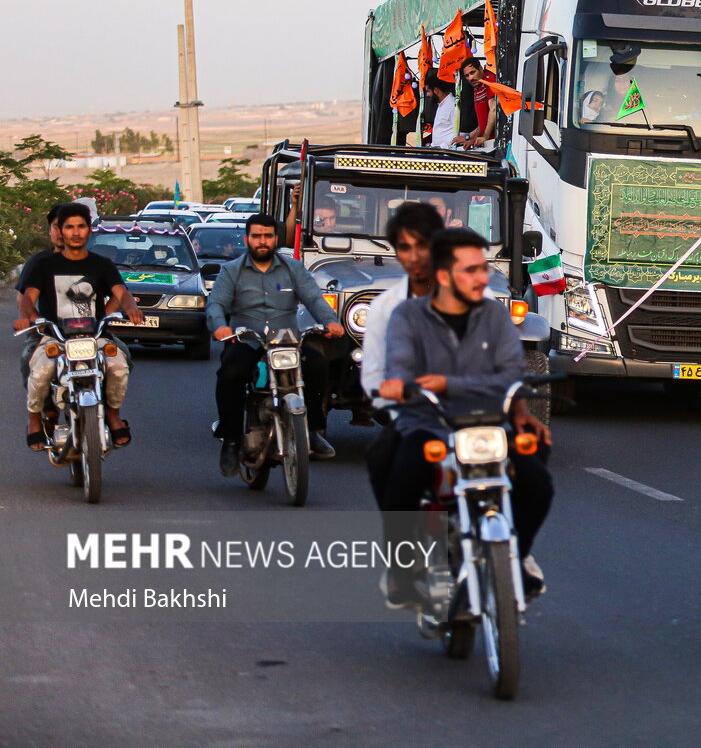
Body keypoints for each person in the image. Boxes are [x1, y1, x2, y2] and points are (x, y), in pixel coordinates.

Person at [377, 228, 553, 608]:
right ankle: (403, 567)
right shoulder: (408, 316)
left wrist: (516, 408)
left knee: (537, 477)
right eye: (471, 270)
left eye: (483, 269)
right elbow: (401, 370)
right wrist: (401, 385)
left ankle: (518, 555)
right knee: (395, 464)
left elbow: (510, 372)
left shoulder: (493, 314)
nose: (482, 278)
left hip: (488, 424)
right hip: (428, 422)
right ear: (443, 275)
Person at [206, 214, 345, 476]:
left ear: (276, 239)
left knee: (317, 365)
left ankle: (313, 431)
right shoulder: (231, 271)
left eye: (267, 236)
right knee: (230, 373)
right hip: (247, 341)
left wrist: (330, 321)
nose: (262, 241)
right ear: (247, 239)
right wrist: (220, 326)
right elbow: (216, 304)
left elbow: (314, 299)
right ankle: (232, 441)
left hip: (287, 342)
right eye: (257, 236)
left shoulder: (293, 269)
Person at [17, 203, 145, 451]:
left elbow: (121, 292)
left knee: (118, 365)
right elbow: (28, 297)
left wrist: (131, 308)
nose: (75, 232)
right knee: (41, 369)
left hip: (94, 336)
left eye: (81, 227)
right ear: (60, 232)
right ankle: (35, 419)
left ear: (89, 230)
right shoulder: (44, 265)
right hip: (56, 337)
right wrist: (28, 317)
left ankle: (112, 413)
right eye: (69, 227)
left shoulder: (102, 264)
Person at [360, 202, 445, 498]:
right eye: (404, 247)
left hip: (475, 416)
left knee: (534, 479)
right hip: (418, 417)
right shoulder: (384, 307)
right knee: (383, 461)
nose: (414, 256)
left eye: (422, 245)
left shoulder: (476, 297)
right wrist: (391, 392)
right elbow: (372, 374)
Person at [14, 205, 65, 388]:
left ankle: (109, 409)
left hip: (88, 332)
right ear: (50, 230)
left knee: (121, 355)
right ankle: (40, 412)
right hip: (50, 332)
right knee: (29, 358)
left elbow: (117, 295)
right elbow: (23, 299)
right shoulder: (38, 262)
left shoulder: (96, 262)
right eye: (56, 226)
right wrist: (38, 321)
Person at [453, 58, 498, 150]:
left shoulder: (490, 80)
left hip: (493, 144)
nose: (470, 78)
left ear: (481, 69)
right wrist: (468, 137)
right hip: (487, 143)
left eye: (472, 72)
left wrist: (485, 137)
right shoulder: (477, 86)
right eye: (467, 76)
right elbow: (483, 123)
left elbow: (494, 109)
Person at [425, 75, 457, 149]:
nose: (427, 95)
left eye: (428, 91)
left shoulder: (453, 104)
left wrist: (442, 146)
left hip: (447, 152)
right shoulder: (441, 104)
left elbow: (458, 132)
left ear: (436, 90)